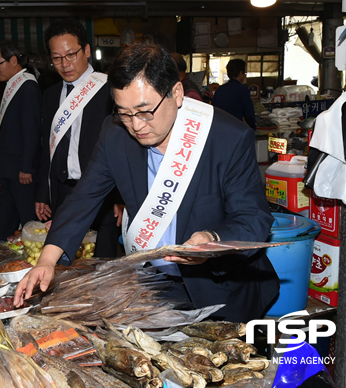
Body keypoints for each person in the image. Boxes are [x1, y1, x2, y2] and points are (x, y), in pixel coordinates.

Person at [15, 43, 280, 322]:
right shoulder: (115, 133)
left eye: (144, 111)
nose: (136, 125)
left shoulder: (227, 138)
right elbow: (83, 198)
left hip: (221, 290)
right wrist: (46, 261)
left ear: (176, 93)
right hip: (154, 286)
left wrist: (212, 241)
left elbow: (253, 218)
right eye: (125, 113)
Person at [35, 18, 121, 259]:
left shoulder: (109, 89)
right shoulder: (51, 95)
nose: (64, 64)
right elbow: (46, 148)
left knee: (102, 264)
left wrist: (121, 197)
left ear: (86, 50)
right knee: (66, 265)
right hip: (62, 192)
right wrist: (43, 193)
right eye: (57, 58)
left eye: (71, 54)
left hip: (101, 193)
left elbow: (123, 148)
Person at [0, 41, 42, 241]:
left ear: (13, 60)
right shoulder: (13, 84)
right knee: (6, 218)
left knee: (29, 221)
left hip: (21, 170)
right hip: (10, 168)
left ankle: (38, 262)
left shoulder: (27, 86)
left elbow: (31, 130)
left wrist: (26, 166)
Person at [211, 59, 256, 129]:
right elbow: (249, 114)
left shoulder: (220, 89)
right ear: (241, 73)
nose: (245, 76)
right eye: (245, 73)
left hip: (219, 128)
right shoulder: (242, 89)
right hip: (235, 129)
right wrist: (253, 127)